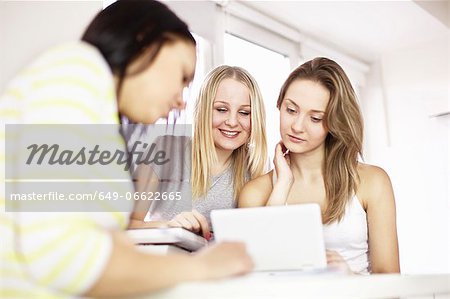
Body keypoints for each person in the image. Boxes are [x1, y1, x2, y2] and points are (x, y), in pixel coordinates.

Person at [0, 1, 252, 298]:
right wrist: (201, 267)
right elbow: (58, 253)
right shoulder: (77, 70)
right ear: (144, 40)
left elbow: (96, 244)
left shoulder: (101, 117)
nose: (181, 100)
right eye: (182, 76)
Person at [238, 57, 400, 275]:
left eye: (315, 118)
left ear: (334, 123)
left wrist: (349, 278)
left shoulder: (372, 182)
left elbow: (391, 285)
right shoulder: (255, 193)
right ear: (279, 106)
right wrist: (282, 186)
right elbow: (255, 277)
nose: (296, 126)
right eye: (291, 110)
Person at [128, 65, 268, 239]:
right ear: (204, 110)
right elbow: (127, 225)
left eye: (244, 112)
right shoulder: (163, 150)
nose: (232, 122)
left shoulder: (255, 169)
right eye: (221, 109)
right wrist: (171, 227)